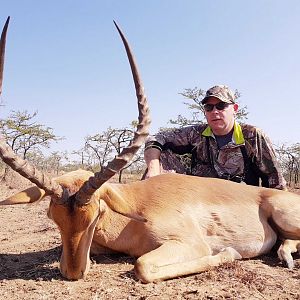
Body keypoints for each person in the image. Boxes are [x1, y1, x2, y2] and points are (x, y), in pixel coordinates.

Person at [144, 84, 286, 190]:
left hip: (240, 203)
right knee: (160, 154)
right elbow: (156, 138)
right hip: (201, 200)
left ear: (235, 109)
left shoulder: (253, 136)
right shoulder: (196, 134)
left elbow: (275, 182)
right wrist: (153, 169)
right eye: (209, 107)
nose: (215, 112)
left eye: (221, 106)